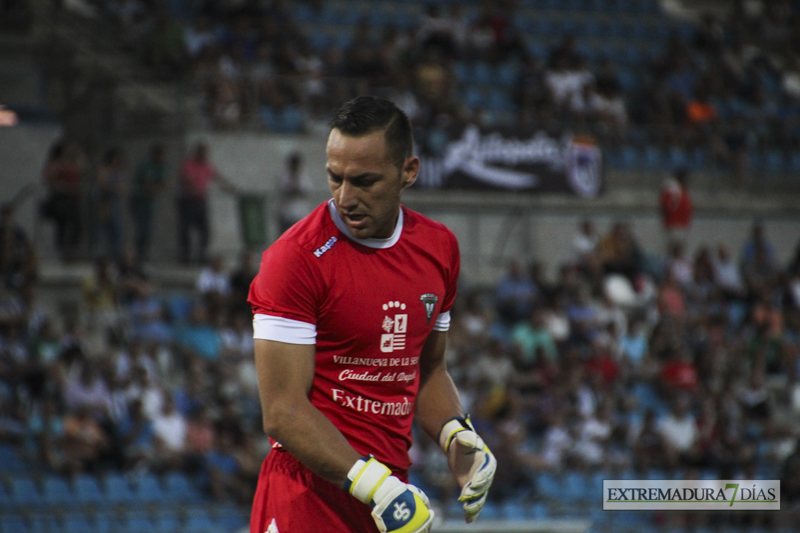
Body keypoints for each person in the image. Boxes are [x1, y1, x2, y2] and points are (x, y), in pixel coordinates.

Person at [247, 96, 496, 533]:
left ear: (409, 172)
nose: (346, 197)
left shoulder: (439, 249)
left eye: (364, 181)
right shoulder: (295, 259)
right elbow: (283, 411)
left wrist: (458, 437)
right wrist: (378, 487)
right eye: (335, 178)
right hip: (309, 496)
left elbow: (427, 368)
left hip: (388, 498)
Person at [176, 142, 236, 264]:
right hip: (188, 201)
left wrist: (229, 187)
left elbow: (217, 177)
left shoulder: (207, 166)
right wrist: (193, 185)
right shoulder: (189, 164)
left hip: (200, 201)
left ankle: (202, 256)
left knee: (204, 231)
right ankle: (186, 257)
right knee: (186, 230)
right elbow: (185, 179)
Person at [130, 143, 167, 261]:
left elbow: (165, 183)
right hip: (139, 203)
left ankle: (143, 254)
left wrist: (155, 188)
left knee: (148, 232)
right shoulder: (146, 165)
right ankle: (139, 254)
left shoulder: (162, 167)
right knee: (142, 230)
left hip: (149, 205)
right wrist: (155, 188)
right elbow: (148, 183)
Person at [659, 167, 693, 248]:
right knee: (673, 250)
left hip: (681, 225)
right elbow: (665, 205)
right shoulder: (672, 189)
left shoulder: (682, 189)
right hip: (674, 225)